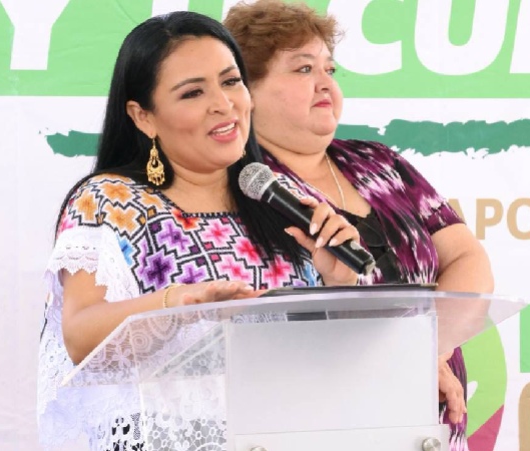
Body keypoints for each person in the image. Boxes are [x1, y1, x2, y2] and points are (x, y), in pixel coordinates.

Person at [37, 11, 362, 449]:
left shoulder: (281, 200)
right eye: (193, 92)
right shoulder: (110, 200)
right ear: (143, 116)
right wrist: (177, 303)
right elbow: (80, 337)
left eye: (231, 82)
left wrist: (338, 284)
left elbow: (323, 359)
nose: (224, 104)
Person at [224, 1, 495, 450]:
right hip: (319, 422)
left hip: (430, 423)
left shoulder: (379, 161)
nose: (325, 83)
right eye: (303, 69)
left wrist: (427, 350)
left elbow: (467, 257)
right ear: (247, 90)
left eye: (329, 69)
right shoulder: (246, 188)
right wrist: (405, 358)